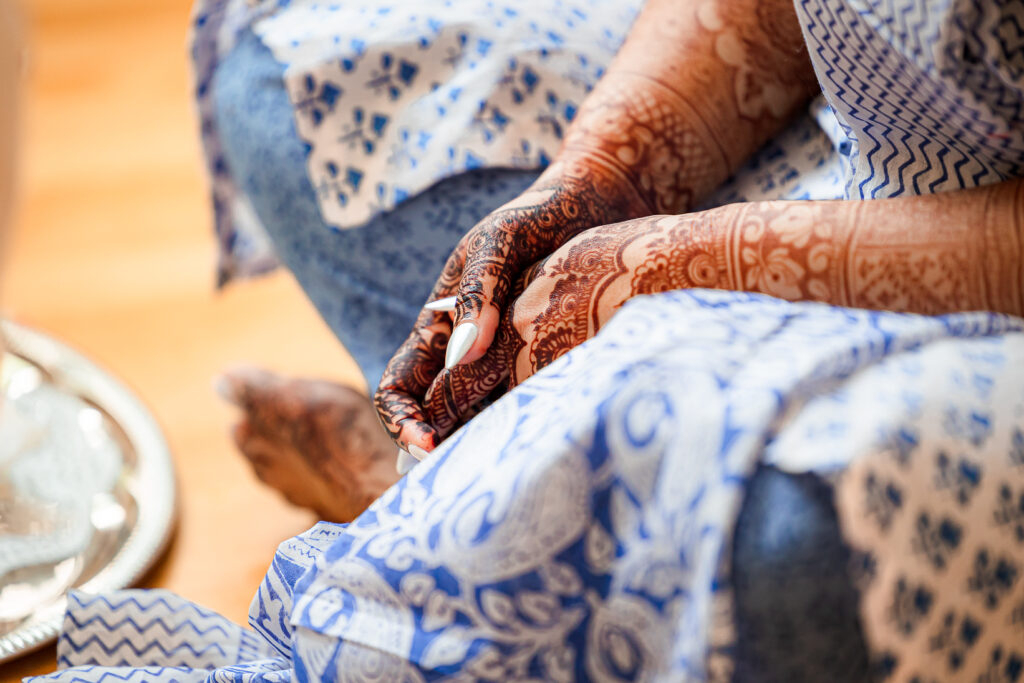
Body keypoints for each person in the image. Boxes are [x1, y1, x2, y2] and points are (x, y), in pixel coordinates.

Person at [32, 0, 1024, 680]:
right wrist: (607, 171)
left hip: (983, 351)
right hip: (849, 150)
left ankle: (444, 511)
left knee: (795, 534)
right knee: (288, 89)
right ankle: (498, 516)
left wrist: (686, 267)